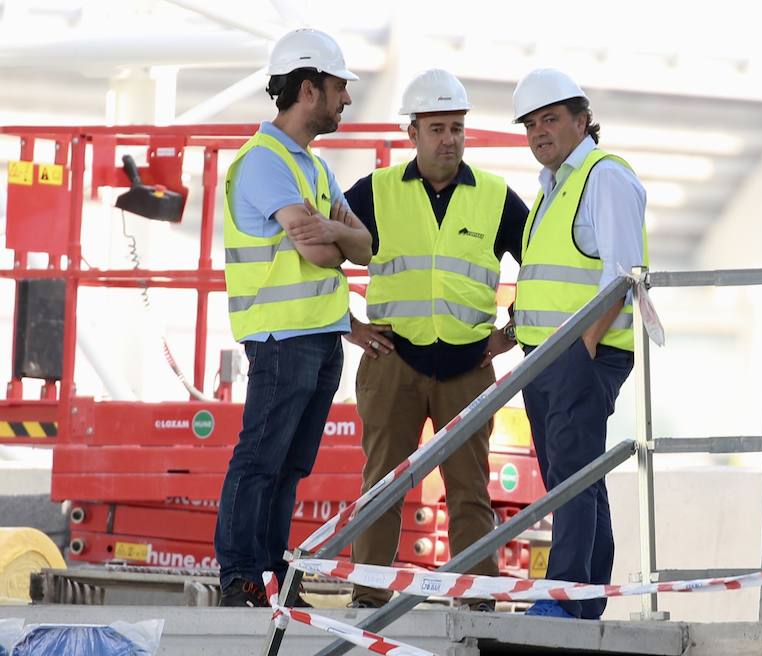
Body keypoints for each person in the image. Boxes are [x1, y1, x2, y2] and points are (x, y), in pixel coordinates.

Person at [342, 69, 529, 609]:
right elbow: (320, 252)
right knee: (382, 484)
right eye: (437, 128)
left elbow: (539, 266)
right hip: (392, 360)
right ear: (413, 133)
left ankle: (476, 603)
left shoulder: (496, 197)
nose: (449, 139)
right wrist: (348, 325)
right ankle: (367, 597)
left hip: (469, 369)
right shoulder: (374, 192)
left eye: (457, 128)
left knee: (470, 489)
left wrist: (511, 333)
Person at [214, 28, 372, 608]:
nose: (346, 100)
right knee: (260, 458)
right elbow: (324, 250)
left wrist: (333, 231)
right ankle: (239, 578)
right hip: (282, 339)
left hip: (323, 337)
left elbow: (366, 246)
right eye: (339, 88)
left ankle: (272, 579)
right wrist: (336, 234)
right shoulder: (264, 164)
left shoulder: (313, 168)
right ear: (309, 89)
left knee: (288, 466)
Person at [511, 68, 647, 619]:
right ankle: (588, 599)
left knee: (571, 476)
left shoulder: (603, 176)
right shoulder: (552, 187)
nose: (540, 132)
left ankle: (564, 596)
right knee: (576, 474)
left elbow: (622, 273)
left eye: (551, 119)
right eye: (531, 124)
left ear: (582, 120)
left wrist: (584, 348)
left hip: (580, 355)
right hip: (544, 359)